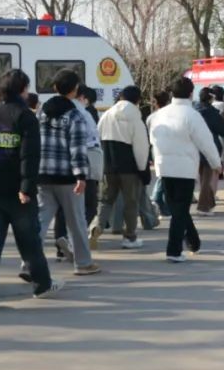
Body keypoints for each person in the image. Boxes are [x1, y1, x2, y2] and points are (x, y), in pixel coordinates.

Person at [0, 69, 61, 311]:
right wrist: (26, 187)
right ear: (23, 89)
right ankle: (42, 285)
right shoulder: (24, 116)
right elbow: (30, 156)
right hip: (17, 191)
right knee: (30, 241)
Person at [149, 77, 221, 261]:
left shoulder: (158, 115)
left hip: (163, 166)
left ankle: (193, 241)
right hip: (185, 168)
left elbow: (152, 139)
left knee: (177, 208)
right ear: (191, 93)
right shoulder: (191, 115)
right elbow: (206, 142)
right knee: (180, 209)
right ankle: (173, 251)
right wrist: (215, 163)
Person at [36, 69, 100, 276]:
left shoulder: (41, 112)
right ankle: (83, 264)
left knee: (40, 221)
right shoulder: (75, 115)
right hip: (67, 178)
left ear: (54, 87)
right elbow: (77, 148)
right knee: (77, 222)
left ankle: (29, 262)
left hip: (43, 175)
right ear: (75, 90)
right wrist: (81, 175)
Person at [92, 86, 150, 247]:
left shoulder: (107, 115)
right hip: (129, 168)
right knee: (131, 202)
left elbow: (96, 138)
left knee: (105, 200)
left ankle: (96, 227)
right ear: (137, 100)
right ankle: (129, 237)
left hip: (108, 166)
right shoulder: (135, 118)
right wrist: (142, 168)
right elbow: (141, 147)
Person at [56, 87, 101, 261]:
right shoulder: (82, 114)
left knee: (61, 207)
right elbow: (90, 140)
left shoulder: (50, 110)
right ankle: (73, 243)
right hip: (83, 164)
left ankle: (61, 243)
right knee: (88, 205)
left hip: (58, 166)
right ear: (81, 96)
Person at [194, 89, 224, 211]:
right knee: (207, 178)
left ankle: (209, 203)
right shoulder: (211, 113)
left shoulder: (194, 111)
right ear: (211, 98)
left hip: (193, 148)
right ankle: (204, 206)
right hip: (209, 148)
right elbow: (223, 129)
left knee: (202, 179)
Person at [148, 91, 172, 217]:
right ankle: (157, 198)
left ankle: (164, 207)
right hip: (168, 149)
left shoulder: (151, 117)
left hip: (155, 148)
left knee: (163, 175)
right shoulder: (170, 115)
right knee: (164, 177)